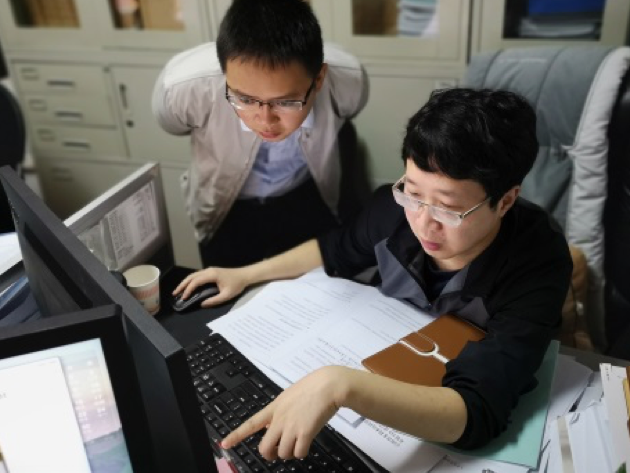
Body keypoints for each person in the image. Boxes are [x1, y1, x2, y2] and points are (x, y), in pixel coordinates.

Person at [174, 88, 572, 456]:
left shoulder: (538, 262)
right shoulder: (391, 212)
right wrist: (246, 274)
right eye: (413, 193)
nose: (423, 223)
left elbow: (476, 411)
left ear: (505, 201)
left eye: (448, 209)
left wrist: (341, 385)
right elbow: (334, 250)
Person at [152, 0, 369, 268]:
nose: (265, 121)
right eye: (245, 99)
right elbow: (173, 125)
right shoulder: (181, 91)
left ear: (318, 80)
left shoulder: (349, 83)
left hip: (304, 195)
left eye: (286, 102)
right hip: (227, 208)